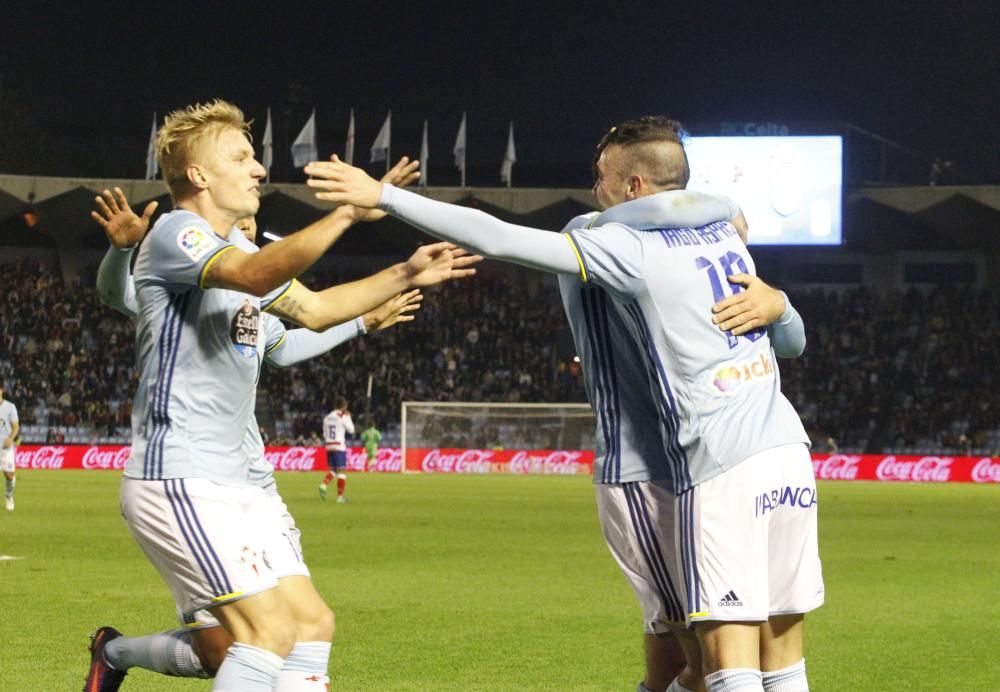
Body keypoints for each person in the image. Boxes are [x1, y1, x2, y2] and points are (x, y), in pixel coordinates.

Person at [305, 116, 821, 692]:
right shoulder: (725, 229)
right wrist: (782, 303)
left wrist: (384, 196)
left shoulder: (623, 245)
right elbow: (793, 342)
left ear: (632, 187)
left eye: (601, 176)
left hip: (694, 465)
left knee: (715, 662)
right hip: (786, 450)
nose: (592, 186)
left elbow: (495, 236)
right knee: (777, 653)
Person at [95, 99, 478, 692]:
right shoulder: (175, 231)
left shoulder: (242, 253)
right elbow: (254, 277)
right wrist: (348, 212)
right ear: (199, 175)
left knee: (311, 623)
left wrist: (404, 272)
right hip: (181, 476)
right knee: (263, 635)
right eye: (242, 157)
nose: (257, 170)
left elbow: (317, 311)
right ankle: (115, 654)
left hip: (235, 483)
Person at [320, 396, 354, 502]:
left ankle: (324, 484)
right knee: (342, 471)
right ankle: (340, 497)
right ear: (344, 407)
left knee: (334, 470)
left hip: (329, 445)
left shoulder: (327, 417)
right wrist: (349, 417)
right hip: (339, 445)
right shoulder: (343, 416)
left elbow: (324, 435)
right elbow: (351, 430)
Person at [0, 385, 19, 512]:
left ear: (1, 391)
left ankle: (9, 496)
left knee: (9, 475)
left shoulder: (10, 407)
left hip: (5, 444)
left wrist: (11, 438)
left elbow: (15, 427)